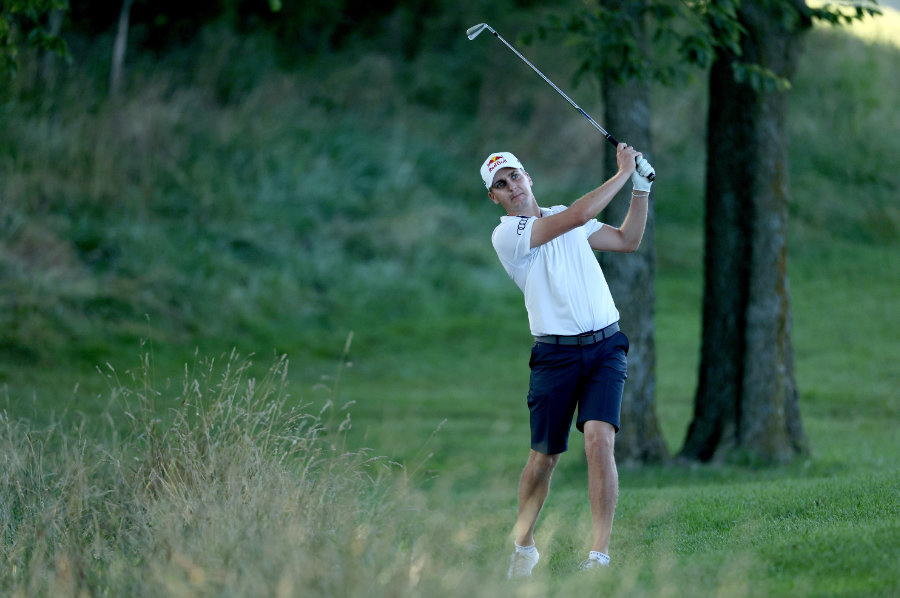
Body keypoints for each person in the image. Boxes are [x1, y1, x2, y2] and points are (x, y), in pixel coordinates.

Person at [480, 144, 654, 578]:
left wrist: (639, 190)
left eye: (515, 176)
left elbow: (627, 240)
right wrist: (622, 173)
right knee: (544, 458)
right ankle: (523, 546)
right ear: (495, 197)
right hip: (554, 355)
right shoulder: (508, 234)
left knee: (599, 440)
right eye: (500, 185)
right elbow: (575, 217)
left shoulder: (568, 215)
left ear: (528, 177)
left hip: (605, 347)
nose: (512, 187)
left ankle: (598, 556)